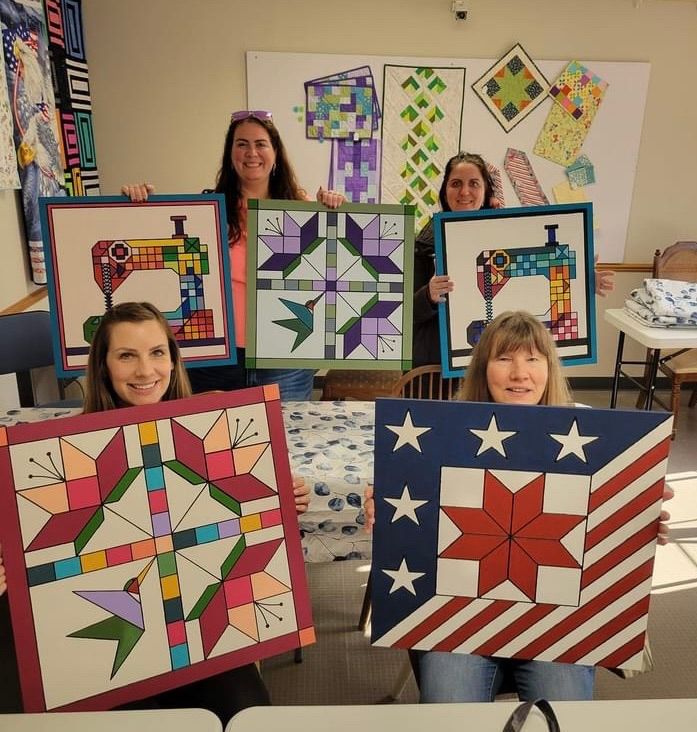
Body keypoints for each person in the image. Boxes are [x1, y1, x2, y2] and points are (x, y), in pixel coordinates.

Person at [1, 302, 309, 721]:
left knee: (248, 713)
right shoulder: (63, 453)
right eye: (127, 355)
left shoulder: (213, 422)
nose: (146, 371)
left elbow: (249, 526)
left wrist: (281, 503)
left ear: (173, 358)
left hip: (204, 624)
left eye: (157, 352)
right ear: (104, 366)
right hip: (114, 638)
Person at [364, 310, 672, 703]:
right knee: (448, 711)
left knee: (563, 715)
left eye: (532, 358)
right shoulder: (442, 432)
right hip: (456, 619)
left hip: (558, 618)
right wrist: (388, 515)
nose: (520, 374)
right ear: (482, 368)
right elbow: (415, 528)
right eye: (504, 358)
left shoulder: (592, 433)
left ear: (549, 366)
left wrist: (643, 518)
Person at [122, 110, 345, 401]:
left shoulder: (302, 209)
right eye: (241, 144)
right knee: (216, 440)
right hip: (216, 356)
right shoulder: (206, 211)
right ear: (230, 153)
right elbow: (159, 251)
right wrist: (138, 204)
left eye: (260, 143)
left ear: (275, 152)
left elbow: (336, 269)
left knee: (284, 437)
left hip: (283, 355)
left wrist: (337, 210)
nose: (251, 152)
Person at [412, 151, 615, 369]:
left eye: (474, 183)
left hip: (491, 360)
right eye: (455, 183)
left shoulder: (508, 234)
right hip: (435, 364)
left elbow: (533, 283)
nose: (464, 192)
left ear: (486, 191)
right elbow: (406, 312)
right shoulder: (425, 245)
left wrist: (580, 280)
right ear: (445, 190)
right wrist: (428, 295)